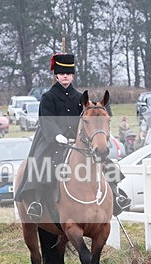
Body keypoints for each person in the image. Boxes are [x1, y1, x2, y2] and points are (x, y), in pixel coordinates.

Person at [14, 52, 130, 221]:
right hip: (51, 140)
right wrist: (57, 136)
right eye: (61, 74)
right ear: (56, 76)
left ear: (72, 75)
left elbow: (87, 121)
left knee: (104, 160)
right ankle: (37, 202)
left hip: (78, 141)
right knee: (42, 163)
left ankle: (116, 194)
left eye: (68, 74)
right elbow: (45, 121)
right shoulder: (48, 97)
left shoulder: (80, 97)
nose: (65, 77)